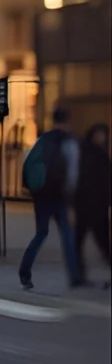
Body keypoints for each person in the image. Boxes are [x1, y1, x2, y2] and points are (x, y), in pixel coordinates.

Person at [18, 105, 85, 290]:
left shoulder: (43, 139)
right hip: (60, 196)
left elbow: (29, 161)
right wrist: (72, 196)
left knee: (41, 233)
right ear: (68, 120)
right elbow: (73, 171)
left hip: (41, 195)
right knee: (67, 234)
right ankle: (74, 276)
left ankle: (24, 272)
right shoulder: (69, 141)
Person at [73, 123, 110, 286]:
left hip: (94, 205)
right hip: (89, 205)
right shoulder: (90, 153)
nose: (101, 138)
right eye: (99, 134)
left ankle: (79, 275)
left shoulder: (97, 154)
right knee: (82, 241)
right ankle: (79, 275)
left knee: (101, 242)